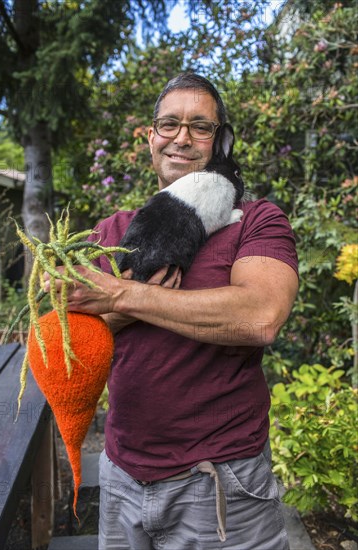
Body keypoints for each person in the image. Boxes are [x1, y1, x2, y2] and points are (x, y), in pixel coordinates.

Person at [47, 73, 299, 549]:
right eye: (169, 124)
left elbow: (261, 314)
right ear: (150, 137)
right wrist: (89, 301)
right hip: (122, 476)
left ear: (220, 141)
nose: (182, 137)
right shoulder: (109, 231)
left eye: (200, 127)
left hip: (220, 481)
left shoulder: (256, 220)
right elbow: (67, 339)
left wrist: (124, 296)